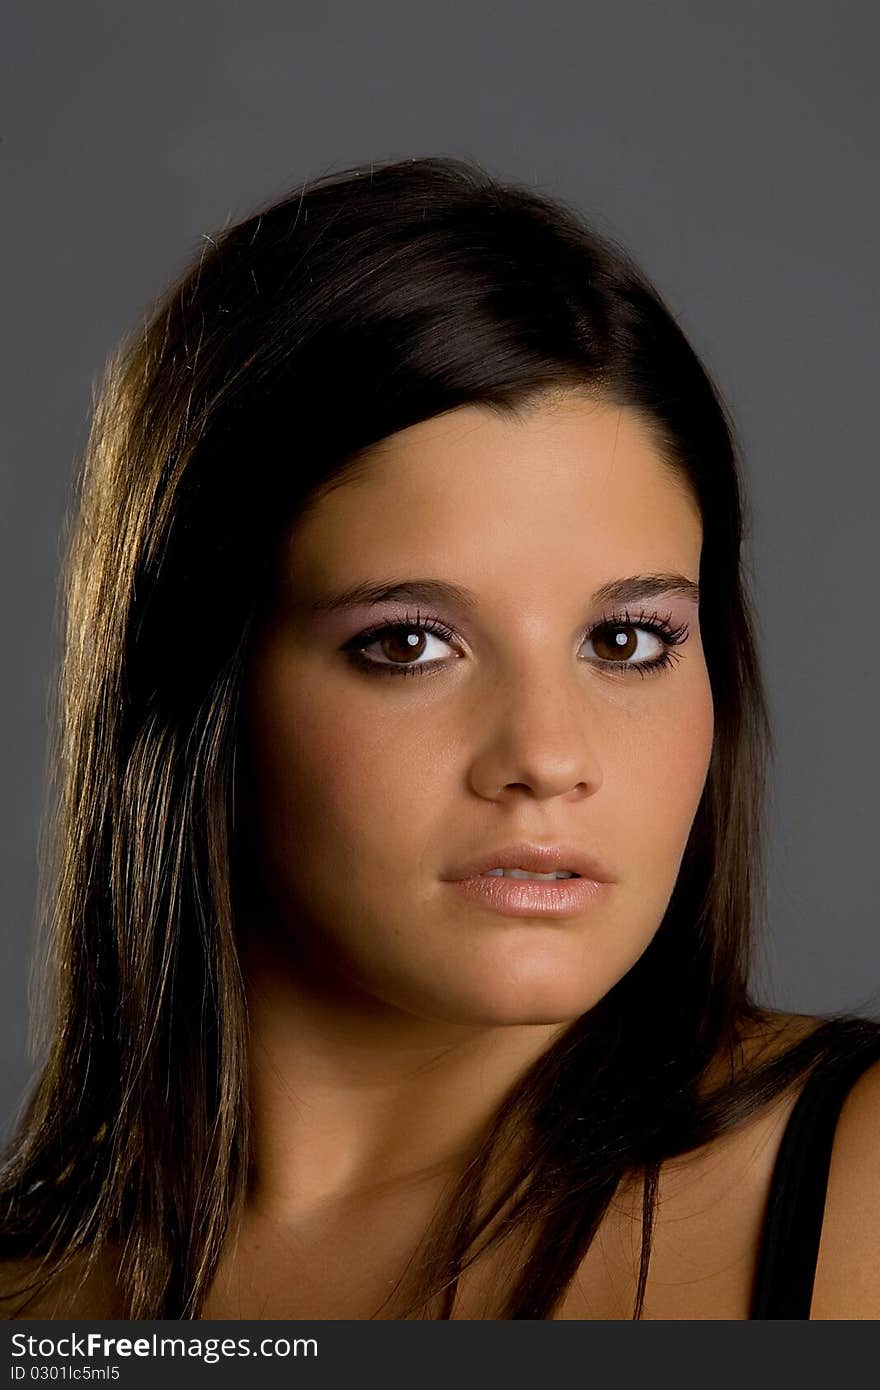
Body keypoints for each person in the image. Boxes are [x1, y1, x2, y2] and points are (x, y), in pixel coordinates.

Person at [1, 155, 878, 1322]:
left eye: (624, 640)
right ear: (203, 684)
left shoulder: (849, 1184)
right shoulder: (37, 1303)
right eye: (409, 644)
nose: (547, 754)